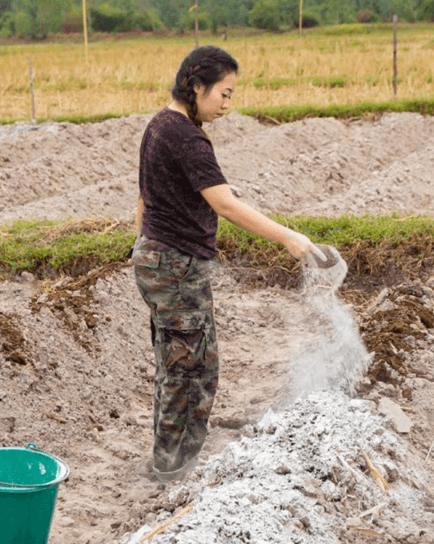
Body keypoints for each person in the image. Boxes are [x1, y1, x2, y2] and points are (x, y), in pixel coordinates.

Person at [132, 45, 324, 483]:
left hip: (157, 258)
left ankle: (169, 458)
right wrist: (289, 237)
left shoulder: (158, 126)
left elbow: (146, 194)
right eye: (224, 93)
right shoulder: (188, 137)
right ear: (195, 86)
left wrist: (141, 245)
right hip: (175, 266)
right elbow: (226, 206)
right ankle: (174, 467)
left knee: (175, 361)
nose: (227, 104)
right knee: (194, 369)